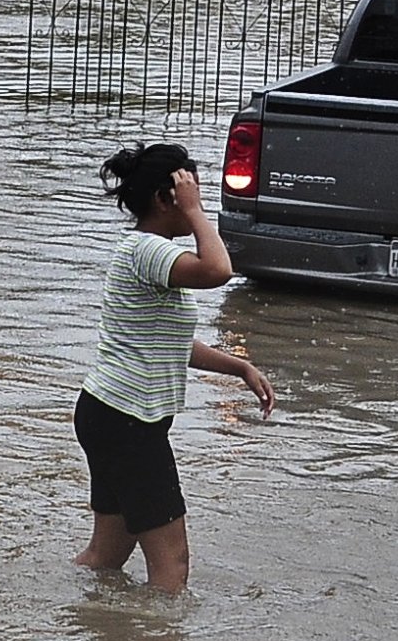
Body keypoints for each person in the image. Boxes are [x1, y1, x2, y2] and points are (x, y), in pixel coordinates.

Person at [73, 142, 274, 593]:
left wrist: (238, 367)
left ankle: (84, 629)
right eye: (188, 196)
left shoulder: (148, 255)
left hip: (108, 414)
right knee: (172, 572)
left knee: (105, 559)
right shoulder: (149, 250)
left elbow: (172, 343)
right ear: (166, 200)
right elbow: (219, 269)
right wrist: (198, 212)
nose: (194, 206)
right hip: (129, 423)